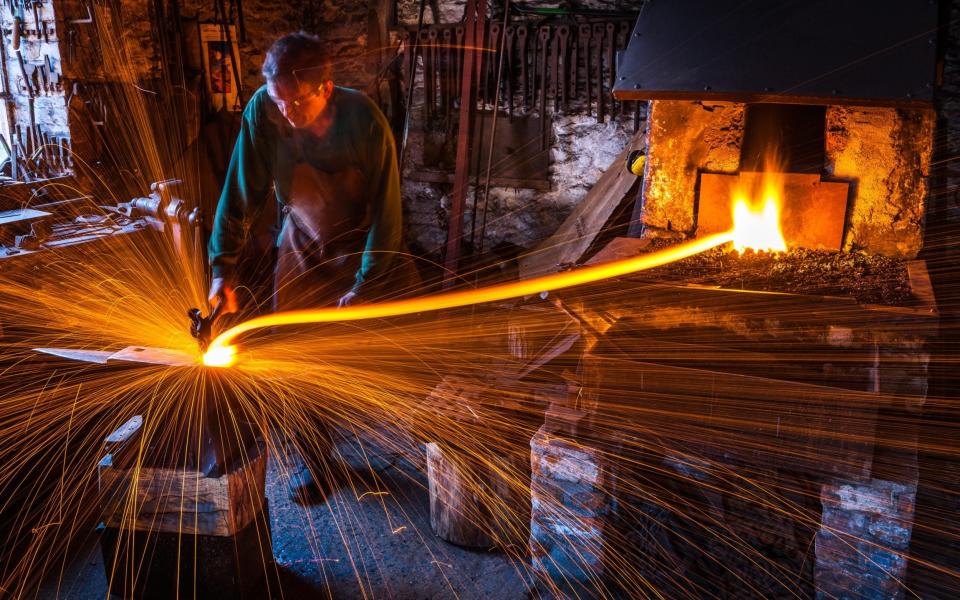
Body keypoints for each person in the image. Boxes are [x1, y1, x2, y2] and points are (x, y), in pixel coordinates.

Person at [207, 31, 418, 503]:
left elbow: (388, 214)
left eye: (295, 103)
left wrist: (365, 285)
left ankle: (413, 444)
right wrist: (223, 268)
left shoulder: (364, 120)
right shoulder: (263, 109)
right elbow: (239, 193)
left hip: (363, 244)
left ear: (325, 88)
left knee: (375, 354)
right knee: (298, 361)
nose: (285, 112)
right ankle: (318, 462)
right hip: (301, 244)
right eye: (277, 101)